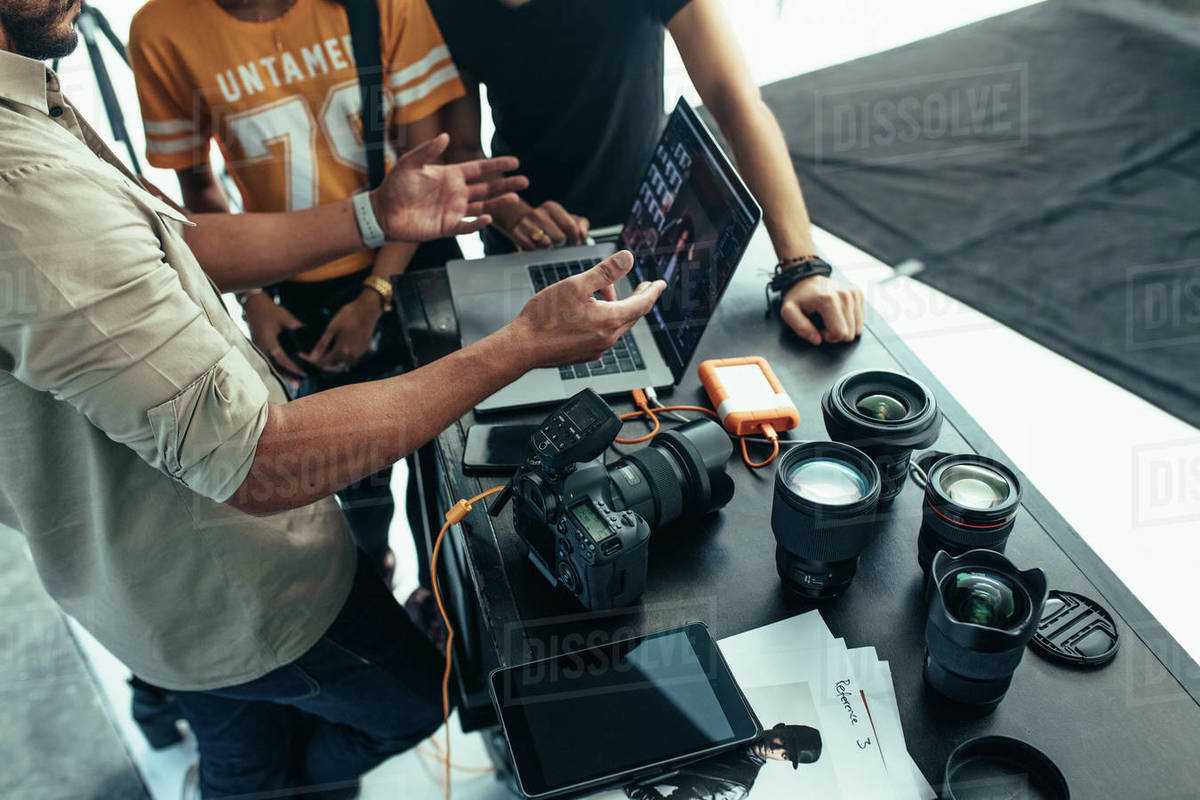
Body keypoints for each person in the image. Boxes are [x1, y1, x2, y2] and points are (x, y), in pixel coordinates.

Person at [0, 3, 666, 797]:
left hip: (152, 587)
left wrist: (373, 214)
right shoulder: (25, 192)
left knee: (242, 737)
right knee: (412, 704)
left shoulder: (27, 101)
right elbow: (260, 461)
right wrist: (522, 344)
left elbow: (173, 236)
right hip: (234, 591)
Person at [129, 0, 469, 585]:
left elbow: (428, 167)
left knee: (449, 467)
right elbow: (198, 188)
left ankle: (446, 601)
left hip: (413, 265)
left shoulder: (385, 6)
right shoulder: (162, 30)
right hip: (296, 289)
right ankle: (377, 577)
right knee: (354, 474)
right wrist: (255, 297)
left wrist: (376, 293)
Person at [430, 0, 867, 347]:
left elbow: (734, 100)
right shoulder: (442, 6)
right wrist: (516, 216)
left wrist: (802, 268)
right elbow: (463, 147)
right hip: (526, 250)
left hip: (651, 233)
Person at [624, 723, 822, 800]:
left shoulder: (736, 785)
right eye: (784, 742)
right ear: (779, 727)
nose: (776, 750)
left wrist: (629, 784)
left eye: (785, 755)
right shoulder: (733, 719)